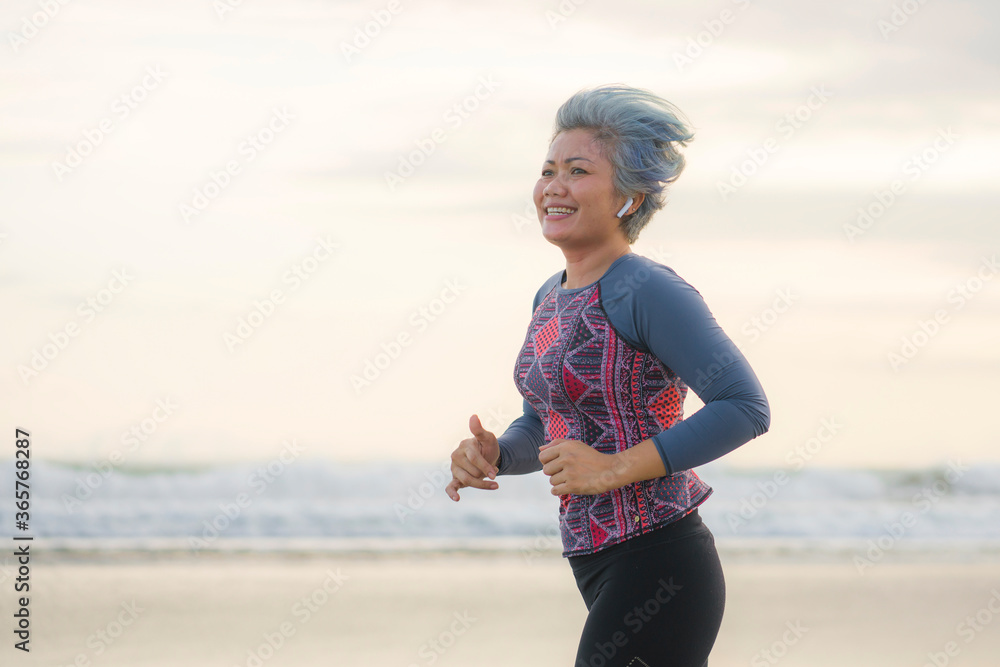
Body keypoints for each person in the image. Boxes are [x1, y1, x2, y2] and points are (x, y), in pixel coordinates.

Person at [445, 83, 771, 667]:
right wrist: (496, 453)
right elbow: (545, 424)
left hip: (662, 560)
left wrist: (616, 468)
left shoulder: (647, 289)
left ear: (629, 197)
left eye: (578, 170)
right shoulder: (551, 295)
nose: (553, 186)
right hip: (595, 562)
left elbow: (744, 406)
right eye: (547, 170)